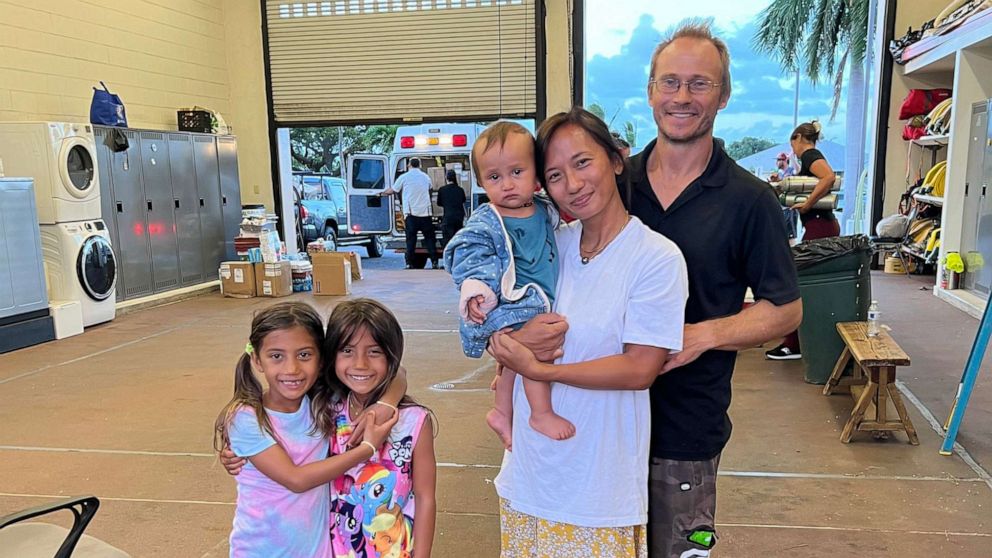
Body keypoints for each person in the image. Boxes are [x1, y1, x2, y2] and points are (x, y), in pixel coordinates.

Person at [625, 22, 802, 556]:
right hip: (600, 423)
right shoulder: (612, 186)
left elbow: (784, 311)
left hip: (686, 433)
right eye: (670, 82)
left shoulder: (749, 201)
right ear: (651, 89)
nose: (682, 97)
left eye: (699, 84)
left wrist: (699, 336)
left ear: (722, 96)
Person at [486, 107, 689, 558]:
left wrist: (539, 368)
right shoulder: (548, 246)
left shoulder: (655, 257)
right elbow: (495, 327)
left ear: (617, 160)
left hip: (597, 487)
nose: (572, 185)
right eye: (555, 175)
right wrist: (513, 343)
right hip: (530, 471)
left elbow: (640, 368)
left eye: (583, 163)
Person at [213, 301, 399, 558]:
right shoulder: (246, 418)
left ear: (321, 360)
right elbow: (296, 480)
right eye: (276, 356)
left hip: (316, 552)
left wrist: (384, 405)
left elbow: (399, 374)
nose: (292, 369)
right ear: (256, 359)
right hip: (260, 551)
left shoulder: (320, 401)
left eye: (304, 355)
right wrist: (366, 448)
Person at [443, 121, 573, 447]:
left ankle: (502, 411)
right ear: (482, 182)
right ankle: (540, 413)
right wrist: (475, 289)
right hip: (514, 302)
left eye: (517, 172)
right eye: (495, 177)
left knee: (515, 361)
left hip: (539, 296)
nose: (508, 185)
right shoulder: (487, 220)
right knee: (534, 354)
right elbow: (468, 255)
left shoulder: (544, 210)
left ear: (537, 175)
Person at [318, 298, 437, 558]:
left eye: (374, 352)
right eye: (347, 351)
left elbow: (426, 498)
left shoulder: (415, 421)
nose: (360, 364)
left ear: (391, 355)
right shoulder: (324, 411)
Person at [765, 120, 839, 361]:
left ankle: (793, 344)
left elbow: (828, 177)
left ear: (798, 138)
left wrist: (807, 204)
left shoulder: (810, 155)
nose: (793, 150)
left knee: (800, 284)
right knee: (805, 283)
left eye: (792, 144)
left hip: (820, 226)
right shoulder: (807, 159)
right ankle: (797, 340)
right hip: (819, 226)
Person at [380, 159, 440, 269]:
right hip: (425, 214)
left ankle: (409, 263)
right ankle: (435, 262)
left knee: (411, 241)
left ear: (409, 165)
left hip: (411, 214)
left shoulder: (404, 177)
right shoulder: (426, 177)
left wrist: (380, 193)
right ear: (420, 165)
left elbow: (393, 190)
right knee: (430, 240)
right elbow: (430, 189)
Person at [436, 169, 467, 246]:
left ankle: (449, 255)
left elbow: (439, 203)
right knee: (458, 239)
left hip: (448, 217)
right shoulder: (460, 189)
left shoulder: (442, 190)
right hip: (459, 218)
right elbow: (463, 200)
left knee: (447, 240)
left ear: (446, 178)